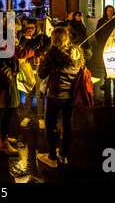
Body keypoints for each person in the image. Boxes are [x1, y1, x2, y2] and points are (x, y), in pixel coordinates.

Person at [37, 26, 84, 168]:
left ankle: (51, 157)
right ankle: (63, 155)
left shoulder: (52, 53)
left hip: (55, 95)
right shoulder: (76, 52)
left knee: (50, 125)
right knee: (66, 124)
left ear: (53, 39)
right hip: (70, 95)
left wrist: (42, 62)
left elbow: (42, 74)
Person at [0, 16, 34, 155]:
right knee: (7, 108)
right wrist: (33, 51)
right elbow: (17, 53)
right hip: (4, 76)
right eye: (16, 28)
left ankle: (1, 136)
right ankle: (2, 141)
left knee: (3, 108)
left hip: (4, 74)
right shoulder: (3, 37)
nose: (17, 31)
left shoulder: (1, 35)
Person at [19, 19, 51, 130]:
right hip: (28, 67)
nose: (30, 30)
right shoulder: (25, 38)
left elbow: (46, 47)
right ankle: (27, 116)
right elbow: (20, 48)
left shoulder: (42, 37)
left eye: (32, 28)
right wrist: (26, 38)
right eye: (28, 28)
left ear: (36, 28)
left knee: (39, 94)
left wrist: (37, 49)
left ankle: (41, 118)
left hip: (39, 67)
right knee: (28, 92)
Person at [95, 5, 115, 89]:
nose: (110, 12)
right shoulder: (101, 21)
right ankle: (107, 82)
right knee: (106, 63)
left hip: (114, 46)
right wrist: (101, 42)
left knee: (114, 63)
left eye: (112, 10)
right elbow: (98, 32)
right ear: (105, 11)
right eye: (108, 10)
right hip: (104, 45)